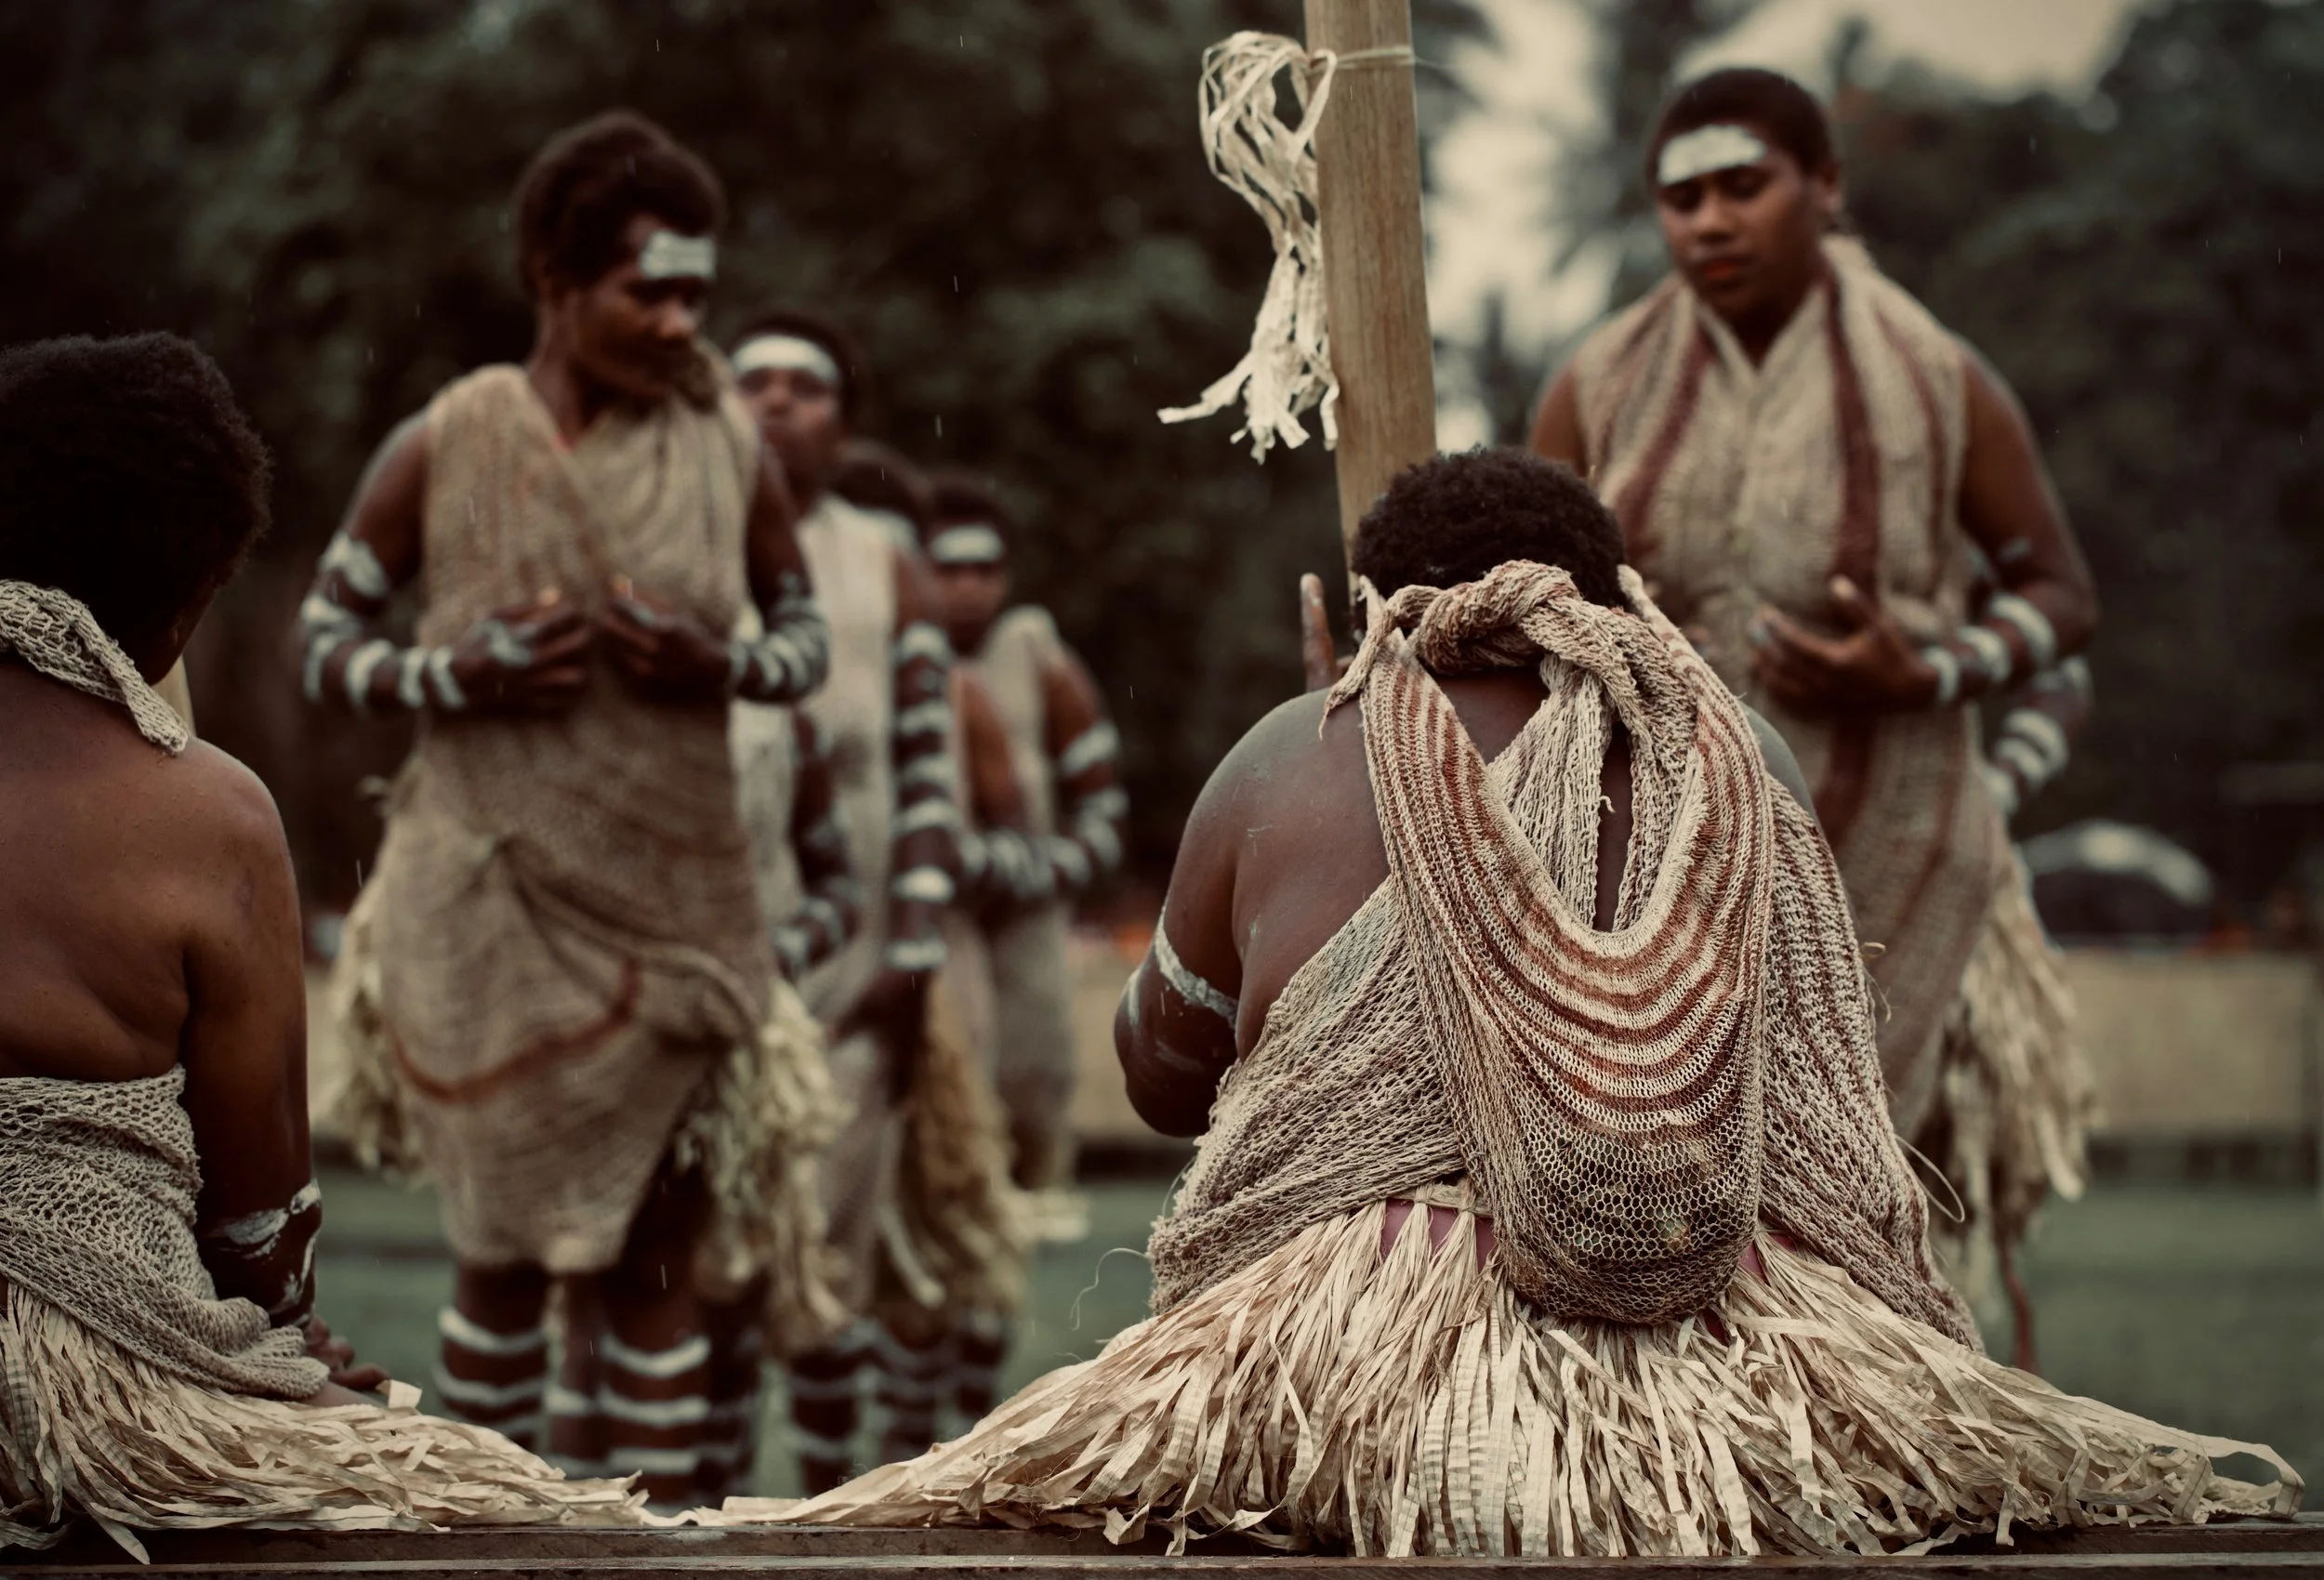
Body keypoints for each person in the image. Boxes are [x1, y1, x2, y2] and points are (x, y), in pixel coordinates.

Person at [725, 449, 2298, 1553]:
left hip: (1346, 1357)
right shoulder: (1735, 760)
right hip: (1740, 1332)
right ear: (1614, 600)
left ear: (1370, 609)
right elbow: (1824, 1081)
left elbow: (1161, 1076)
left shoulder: (1287, 751)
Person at [0, 333, 640, 1553]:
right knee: (486, 1499)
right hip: (74, 1384)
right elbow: (258, 1227)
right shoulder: (205, 815)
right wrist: (286, 1345)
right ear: (188, 603)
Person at [308, 112, 836, 1507]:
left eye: (696, 295)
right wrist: (452, 672)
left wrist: (721, 661)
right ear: (554, 277)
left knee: (656, 1257)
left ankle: (641, 1538)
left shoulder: (724, 445)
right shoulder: (448, 438)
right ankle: (493, 1521)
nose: (680, 324)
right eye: (646, 292)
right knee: (495, 1253)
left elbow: (803, 644)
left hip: (676, 914)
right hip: (482, 907)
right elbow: (323, 642)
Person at [1529, 69, 2095, 1362]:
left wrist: (1927, 672)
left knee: (1860, 1227)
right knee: (1655, 1216)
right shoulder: (1596, 383)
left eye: (1744, 186)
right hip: (1650, 882)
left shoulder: (1939, 379)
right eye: (1681, 198)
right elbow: (1525, 593)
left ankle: (1879, 1458)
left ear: (1825, 187)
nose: (1709, 222)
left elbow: (2062, 593)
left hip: (1890, 856)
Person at [729, 309, 1023, 1492]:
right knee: (699, 1258)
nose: (776, 401)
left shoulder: (883, 558)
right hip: (718, 933)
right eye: (752, 380)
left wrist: (910, 947)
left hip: (857, 955)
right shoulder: (676, 536)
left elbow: (926, 767)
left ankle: (827, 1503)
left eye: (804, 384)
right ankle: (683, 1506)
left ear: (843, 421)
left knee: (829, 1239)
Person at [922, 473, 1128, 1194]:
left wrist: (1035, 870)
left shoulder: (1036, 655)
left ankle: (1033, 1197)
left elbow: (1104, 815)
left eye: (984, 569)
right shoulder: (903, 656)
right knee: (949, 1090)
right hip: (935, 913)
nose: (968, 587)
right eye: (949, 569)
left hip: (1028, 914)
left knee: (1034, 1080)